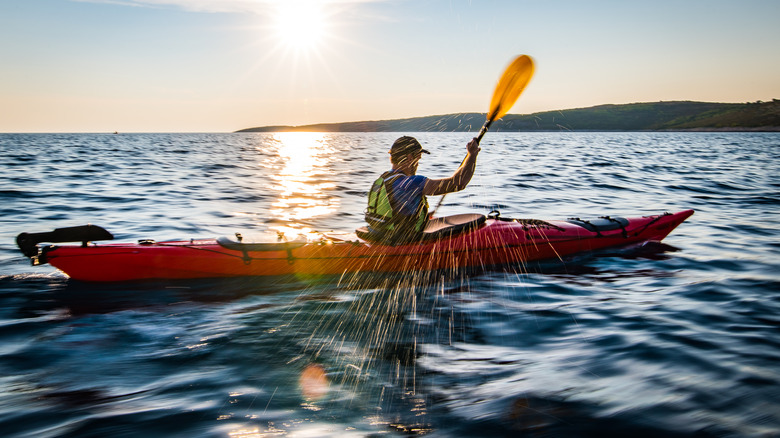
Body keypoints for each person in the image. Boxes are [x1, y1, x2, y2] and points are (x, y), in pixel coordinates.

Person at [365, 135, 480, 243]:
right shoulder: (411, 183)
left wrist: (422, 216)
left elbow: (395, 212)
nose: (418, 165)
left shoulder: (382, 180)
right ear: (410, 158)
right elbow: (458, 183)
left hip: (381, 236)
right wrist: (472, 155)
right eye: (418, 160)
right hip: (401, 241)